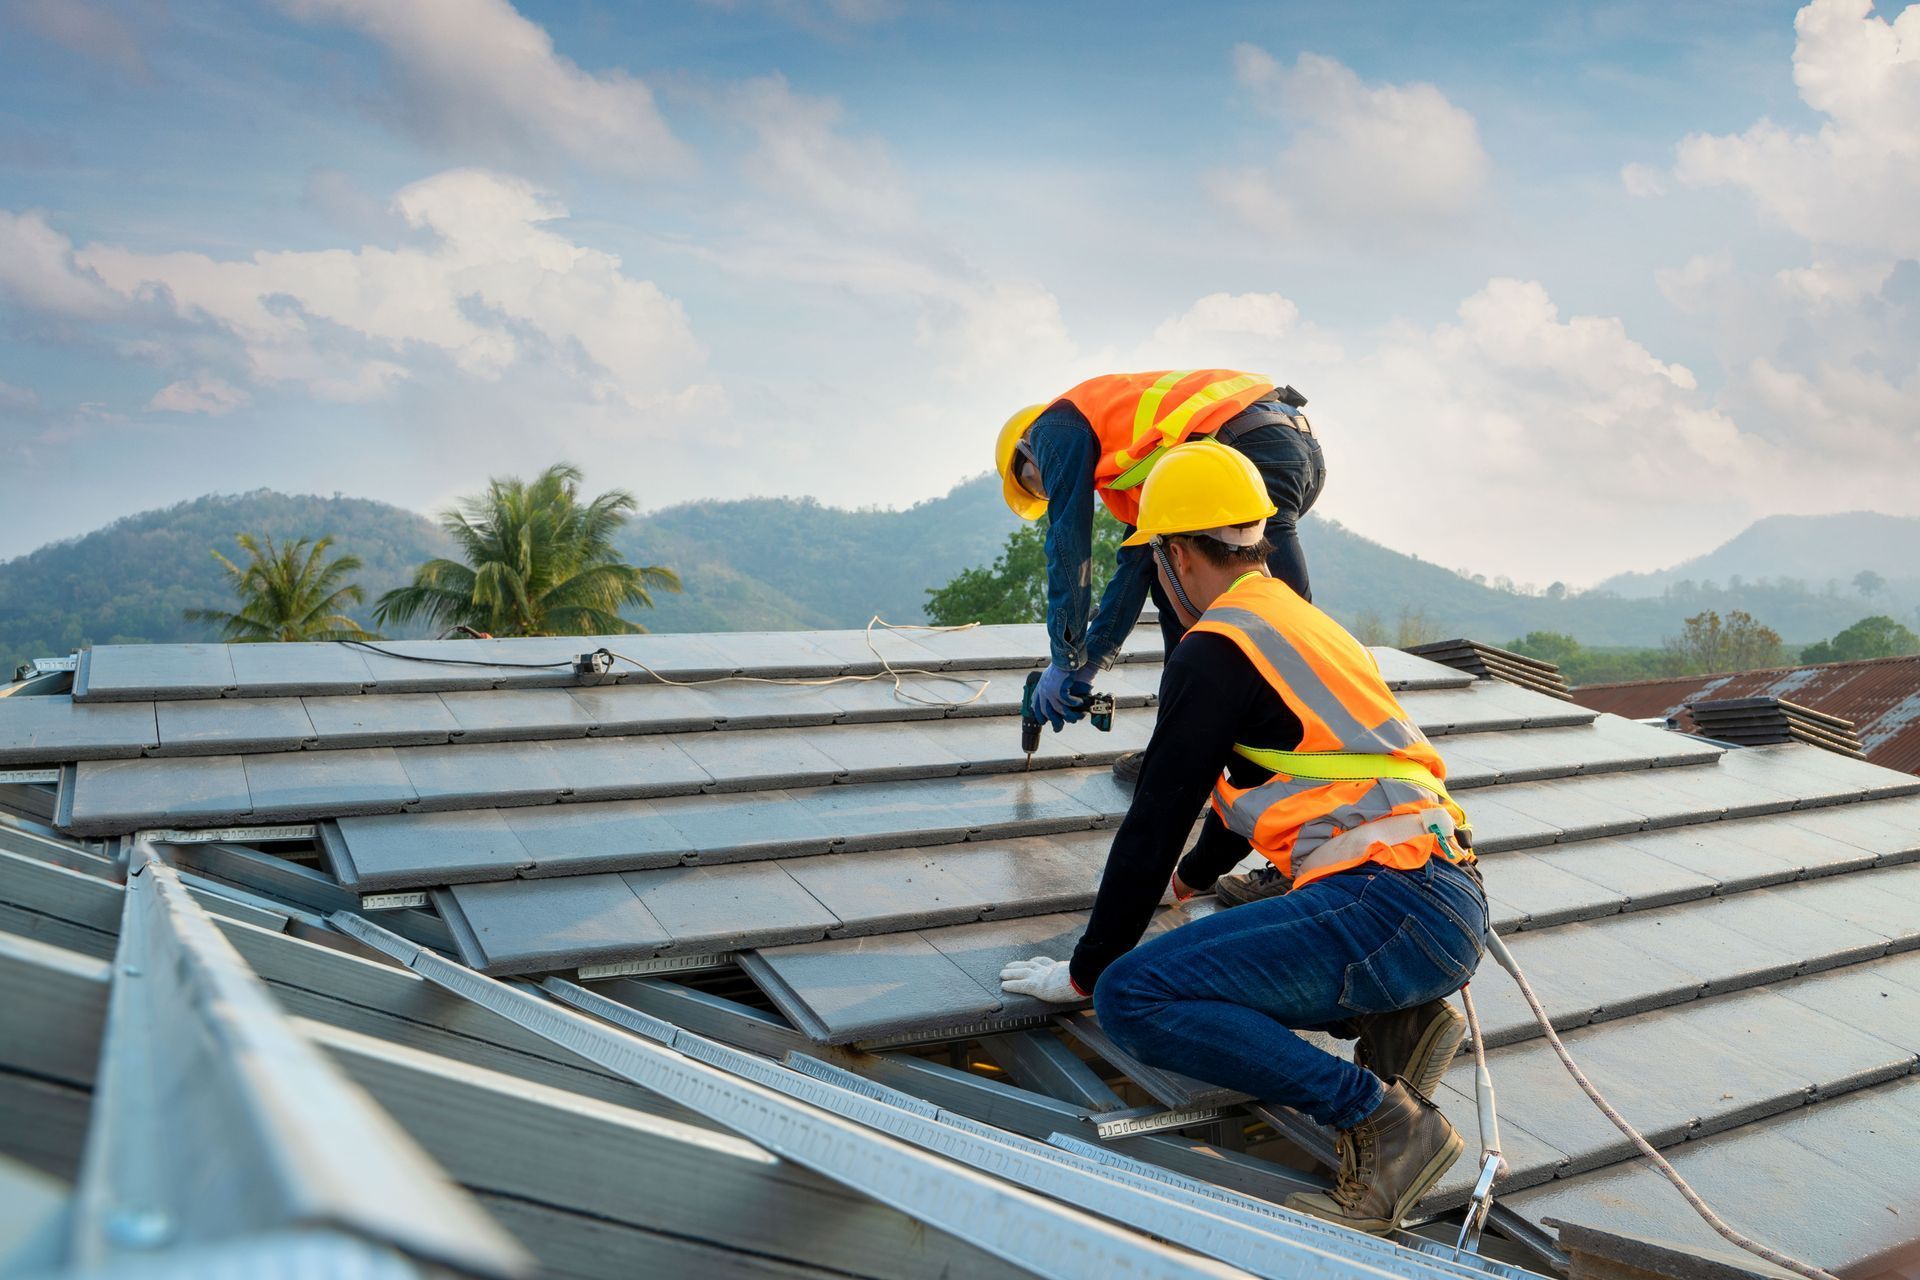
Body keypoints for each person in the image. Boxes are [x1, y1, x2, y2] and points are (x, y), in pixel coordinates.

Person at [998, 438, 1487, 1236]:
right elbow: (1259, 780)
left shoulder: (1216, 649)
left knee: (1136, 995)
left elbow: (1154, 817)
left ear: (1181, 555)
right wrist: (1189, 883)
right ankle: (1396, 1020)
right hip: (1438, 899)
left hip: (1384, 903)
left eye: (1157, 561)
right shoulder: (1295, 620)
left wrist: (1087, 971)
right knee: (1212, 948)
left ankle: (1382, 1121)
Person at [994, 370, 1324, 783]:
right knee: (1176, 592)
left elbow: (1068, 547)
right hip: (1294, 445)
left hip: (1247, 445)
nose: (1046, 489)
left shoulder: (1052, 427)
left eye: (1030, 480)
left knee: (1281, 620)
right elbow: (1137, 565)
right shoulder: (1137, 465)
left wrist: (1063, 659)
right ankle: (1182, 749)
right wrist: (1090, 661)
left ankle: (1309, 748)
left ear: (1028, 448)